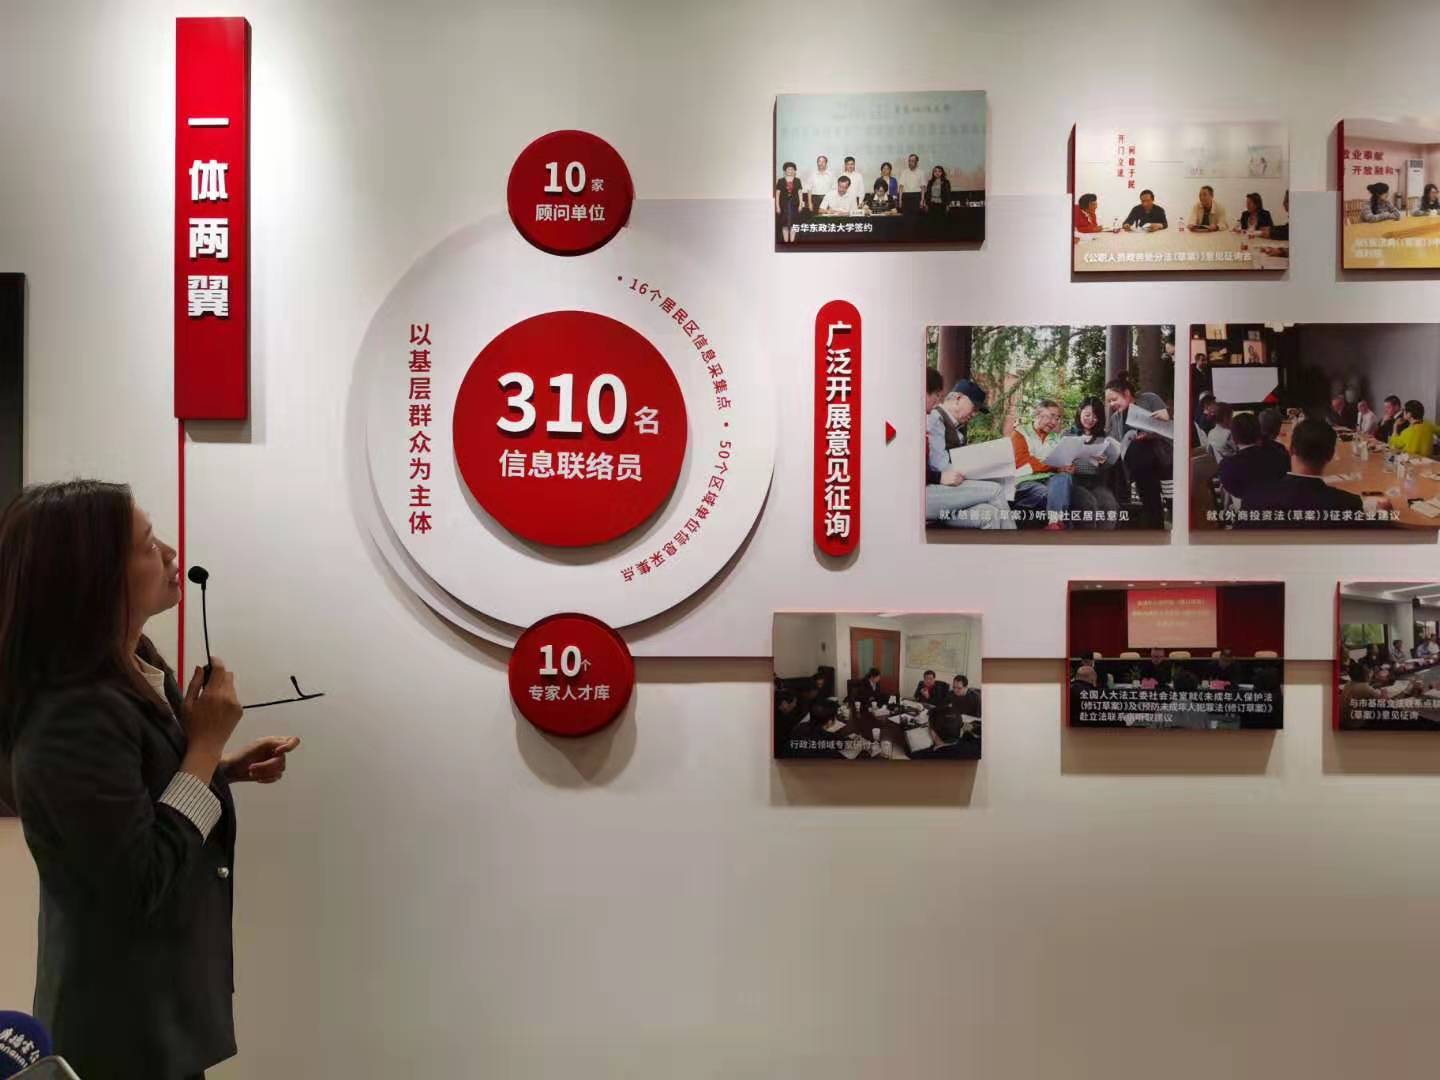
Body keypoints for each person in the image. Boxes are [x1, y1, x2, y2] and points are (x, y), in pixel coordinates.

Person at [1, 481, 302, 1080]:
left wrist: (220, 768)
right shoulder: (73, 713)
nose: (169, 552)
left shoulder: (134, 663)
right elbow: (139, 877)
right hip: (119, 1034)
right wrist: (205, 745)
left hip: (159, 1016)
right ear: (96, 579)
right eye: (146, 544)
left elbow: (127, 800)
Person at [1243, 418, 1390, 524]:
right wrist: (1382, 511)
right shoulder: (1348, 505)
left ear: (1290, 450)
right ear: (1330, 455)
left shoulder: (1253, 498)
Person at [925, 377, 1016, 530]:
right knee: (996, 489)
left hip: (947, 492)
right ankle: (1014, 542)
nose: (974, 414)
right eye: (974, 408)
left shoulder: (954, 428)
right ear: (958, 399)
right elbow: (939, 465)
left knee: (990, 513)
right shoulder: (935, 418)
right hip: (935, 491)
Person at [1105, 374, 1172, 529]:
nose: (1112, 404)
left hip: (1162, 457)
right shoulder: (1116, 418)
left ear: (1127, 393)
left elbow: (1169, 424)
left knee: (1172, 502)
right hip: (1140, 469)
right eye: (1109, 401)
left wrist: (1161, 421)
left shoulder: (1149, 399)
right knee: (1150, 505)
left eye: (1114, 399)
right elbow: (1116, 444)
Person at [1010, 399, 1076, 529]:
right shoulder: (1019, 433)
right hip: (1025, 481)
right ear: (1037, 414)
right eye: (1051, 416)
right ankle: (1058, 522)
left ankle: (1054, 523)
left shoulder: (1056, 438)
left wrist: (1068, 467)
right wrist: (1053, 466)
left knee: (1064, 478)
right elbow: (1022, 462)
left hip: (1051, 480)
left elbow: (1063, 461)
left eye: (1057, 418)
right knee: (1050, 494)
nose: (1054, 422)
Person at [1068, 396, 1122, 527]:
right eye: (1087, 415)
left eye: (1096, 416)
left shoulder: (1105, 438)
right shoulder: (1068, 434)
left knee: (1108, 504)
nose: (1091, 419)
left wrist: (1104, 462)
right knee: (1087, 503)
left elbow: (1109, 466)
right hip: (1074, 481)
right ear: (1079, 412)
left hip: (1097, 482)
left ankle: (1103, 538)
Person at [1219, 411, 1288, 504]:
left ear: (1234, 439)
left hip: (1247, 506)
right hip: (1279, 504)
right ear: (1259, 433)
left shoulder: (1227, 466)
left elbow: (1235, 492)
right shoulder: (1279, 454)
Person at [774, 161, 804, 244]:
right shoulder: (780, 181)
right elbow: (777, 194)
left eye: (792, 169)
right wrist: (777, 206)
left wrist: (800, 204)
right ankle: (786, 242)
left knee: (794, 224)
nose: (790, 171)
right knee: (784, 224)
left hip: (794, 205)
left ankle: (792, 242)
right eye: (788, 169)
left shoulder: (797, 180)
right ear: (785, 170)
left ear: (794, 171)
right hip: (783, 206)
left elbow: (800, 193)